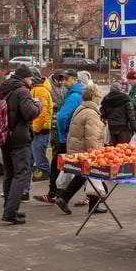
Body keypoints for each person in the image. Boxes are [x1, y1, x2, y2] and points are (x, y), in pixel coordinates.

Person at [0, 66, 42, 225]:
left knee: (9, 173)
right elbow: (29, 113)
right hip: (19, 139)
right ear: (24, 78)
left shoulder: (3, 89)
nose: (31, 82)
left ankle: (9, 209)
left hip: (4, 136)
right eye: (30, 79)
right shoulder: (22, 91)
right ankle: (10, 212)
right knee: (21, 173)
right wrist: (39, 105)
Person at [53, 85, 107, 215]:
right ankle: (66, 199)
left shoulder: (81, 109)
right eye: (99, 96)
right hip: (85, 151)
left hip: (77, 149)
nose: (100, 99)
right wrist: (95, 154)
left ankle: (88, 204)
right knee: (92, 175)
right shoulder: (91, 113)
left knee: (83, 176)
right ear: (93, 97)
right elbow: (91, 137)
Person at [36, 69, 79, 204]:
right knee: (72, 166)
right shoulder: (77, 93)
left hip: (67, 137)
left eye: (67, 79)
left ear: (74, 79)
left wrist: (61, 134)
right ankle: (56, 193)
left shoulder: (74, 96)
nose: (64, 82)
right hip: (73, 136)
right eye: (63, 79)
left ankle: (54, 194)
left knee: (59, 164)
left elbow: (62, 116)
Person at [30, 68, 53, 182]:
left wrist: (34, 129)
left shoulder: (39, 90)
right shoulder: (36, 89)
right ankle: (24, 189)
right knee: (30, 161)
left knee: (40, 161)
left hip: (39, 132)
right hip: (38, 130)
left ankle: (55, 181)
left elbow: (41, 112)